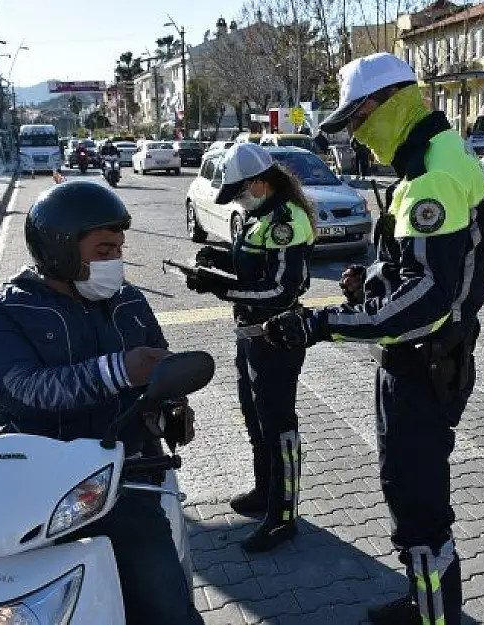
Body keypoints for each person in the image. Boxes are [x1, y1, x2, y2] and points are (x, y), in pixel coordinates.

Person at [261, 53, 484, 625]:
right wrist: (369, 284)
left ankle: (434, 616)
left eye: (356, 122)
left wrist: (318, 325)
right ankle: (423, 602)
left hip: (423, 362)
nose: (356, 137)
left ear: (381, 106)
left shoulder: (432, 176)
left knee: (418, 505)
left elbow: (426, 304)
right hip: (429, 359)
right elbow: (420, 270)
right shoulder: (435, 157)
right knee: (409, 491)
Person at [0, 180, 203, 624]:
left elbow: (157, 369)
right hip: (38, 494)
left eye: (119, 249)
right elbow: (25, 390)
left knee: (167, 607)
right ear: (60, 251)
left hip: (127, 483)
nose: (116, 260)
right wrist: (118, 370)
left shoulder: (130, 300)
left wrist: (167, 411)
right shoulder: (0, 313)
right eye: (103, 250)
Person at [186, 143, 315, 552]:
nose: (237, 199)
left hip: (275, 335)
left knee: (279, 427)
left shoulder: (286, 221)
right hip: (250, 335)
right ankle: (265, 492)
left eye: (240, 191)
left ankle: (283, 515)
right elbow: (253, 266)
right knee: (255, 417)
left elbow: (280, 289)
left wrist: (220, 286)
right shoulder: (258, 216)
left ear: (261, 183)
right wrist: (219, 259)